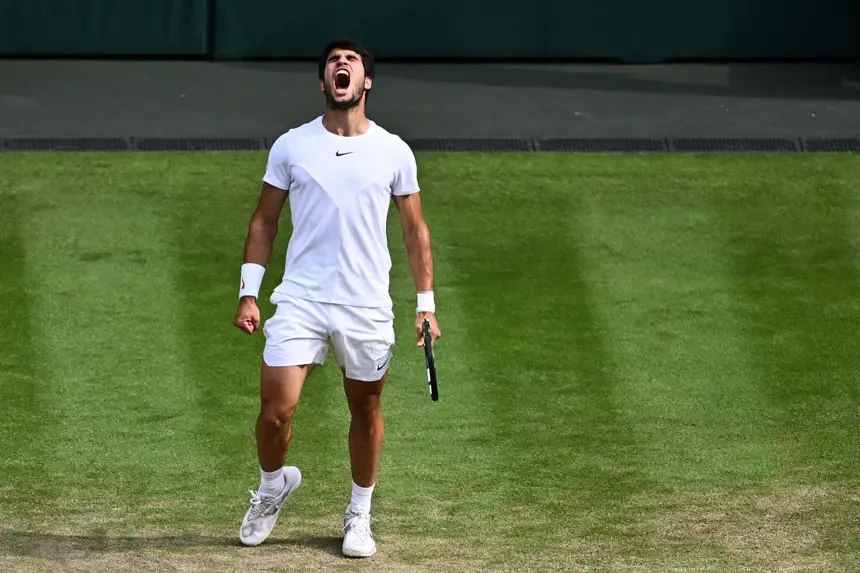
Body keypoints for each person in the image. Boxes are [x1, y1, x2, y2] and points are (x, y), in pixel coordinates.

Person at [231, 38, 441, 558]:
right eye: (332, 62)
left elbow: (415, 232)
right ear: (324, 81)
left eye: (351, 62)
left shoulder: (394, 150)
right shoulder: (291, 146)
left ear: (366, 81)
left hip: (365, 304)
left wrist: (426, 303)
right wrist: (249, 293)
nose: (341, 65)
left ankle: (359, 514)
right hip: (301, 300)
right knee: (276, 411)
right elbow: (265, 220)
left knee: (365, 408)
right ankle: (273, 485)